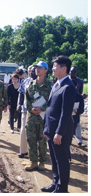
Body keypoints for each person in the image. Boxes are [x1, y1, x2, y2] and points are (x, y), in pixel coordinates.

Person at [42, 55, 76, 193]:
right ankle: (55, 182)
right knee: (54, 159)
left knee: (62, 160)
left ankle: (62, 188)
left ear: (64, 68)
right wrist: (46, 127)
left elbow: (65, 113)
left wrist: (59, 133)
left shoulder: (68, 87)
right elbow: (50, 108)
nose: (53, 69)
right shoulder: (57, 84)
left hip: (60, 131)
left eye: (55, 66)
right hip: (51, 129)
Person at [24, 61, 52, 171]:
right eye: (36, 68)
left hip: (43, 117)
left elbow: (53, 101)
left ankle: (42, 162)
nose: (37, 69)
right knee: (31, 140)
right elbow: (27, 99)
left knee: (42, 141)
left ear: (45, 70)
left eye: (40, 68)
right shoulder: (31, 84)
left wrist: (42, 109)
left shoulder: (50, 85)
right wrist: (31, 108)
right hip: (32, 117)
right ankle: (33, 162)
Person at [17, 65, 37, 158]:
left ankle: (35, 153)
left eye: (33, 71)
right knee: (23, 131)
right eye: (29, 71)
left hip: (38, 112)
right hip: (25, 110)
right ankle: (23, 151)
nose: (31, 72)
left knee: (36, 133)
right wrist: (19, 104)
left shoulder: (41, 83)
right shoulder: (25, 81)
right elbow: (21, 93)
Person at [70, 66, 86, 147]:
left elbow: (80, 92)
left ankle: (79, 140)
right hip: (68, 101)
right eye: (72, 71)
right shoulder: (66, 80)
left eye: (74, 72)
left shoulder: (80, 81)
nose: (73, 73)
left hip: (76, 103)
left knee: (77, 122)